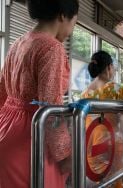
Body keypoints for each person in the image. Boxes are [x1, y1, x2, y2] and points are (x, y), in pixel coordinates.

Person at [0, 0, 78, 187]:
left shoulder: (19, 43)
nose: (71, 30)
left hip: (5, 132)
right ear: (63, 15)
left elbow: (1, 91)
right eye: (74, 22)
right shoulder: (52, 47)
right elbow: (49, 108)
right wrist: (65, 154)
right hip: (32, 139)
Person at [81, 50, 123, 187]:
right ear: (109, 67)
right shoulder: (115, 89)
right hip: (111, 146)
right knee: (115, 182)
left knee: (101, 183)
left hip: (91, 146)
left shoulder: (85, 93)